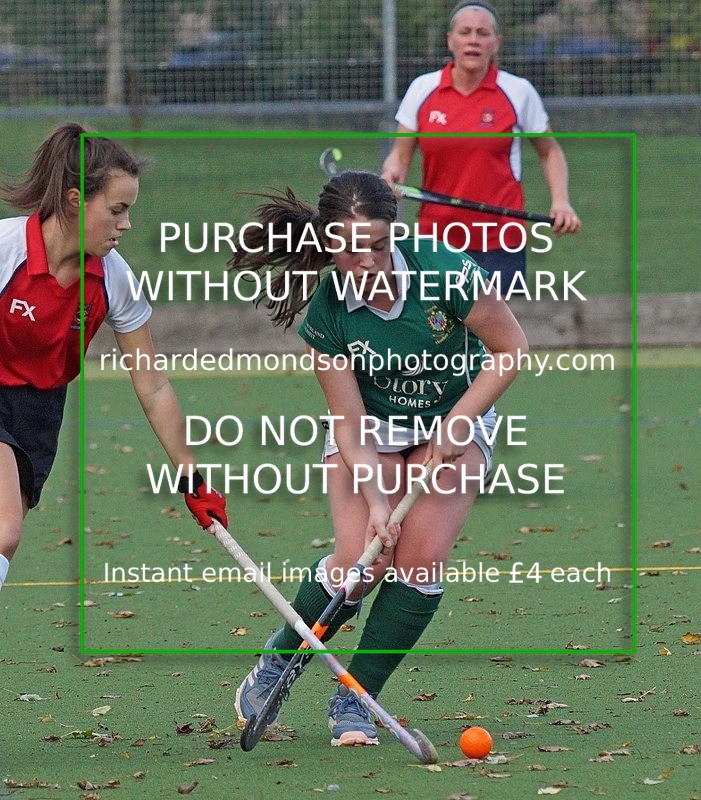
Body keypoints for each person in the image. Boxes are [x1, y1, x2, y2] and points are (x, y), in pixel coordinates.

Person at [229, 171, 527, 746]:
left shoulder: (446, 272)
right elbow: (348, 423)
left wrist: (460, 419)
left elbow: (511, 348)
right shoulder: (328, 313)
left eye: (377, 246)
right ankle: (279, 661)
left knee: (421, 561)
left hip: (455, 412)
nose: (366, 262)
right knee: (360, 566)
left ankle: (357, 696)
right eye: (349, 249)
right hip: (373, 428)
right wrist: (376, 501)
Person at [0, 122, 227, 592]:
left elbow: (153, 385)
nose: (126, 225)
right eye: (117, 210)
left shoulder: (113, 279)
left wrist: (191, 473)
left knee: (4, 542)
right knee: (5, 530)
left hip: (39, 413)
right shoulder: (7, 249)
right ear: (74, 200)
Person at [381, 1, 582, 289]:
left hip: (501, 242)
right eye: (465, 32)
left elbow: (549, 151)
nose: (473, 40)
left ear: (496, 43)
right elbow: (399, 156)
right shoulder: (422, 89)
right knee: (437, 319)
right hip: (436, 240)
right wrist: (391, 175)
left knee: (500, 320)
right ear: (450, 40)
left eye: (482, 33)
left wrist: (561, 201)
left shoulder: (518, 92)